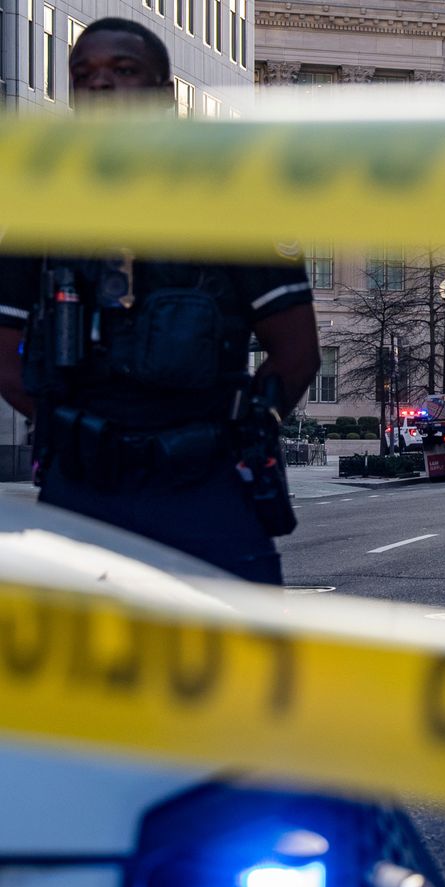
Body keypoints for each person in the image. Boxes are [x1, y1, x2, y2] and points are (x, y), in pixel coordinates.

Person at [0, 18, 320, 585]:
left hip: (205, 485)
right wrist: (77, 431)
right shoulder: (38, 203)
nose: (100, 85)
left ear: (166, 95)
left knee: (238, 663)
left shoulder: (234, 197)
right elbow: (3, 352)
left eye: (123, 71)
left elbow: (295, 353)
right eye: (83, 74)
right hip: (83, 491)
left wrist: (242, 431)